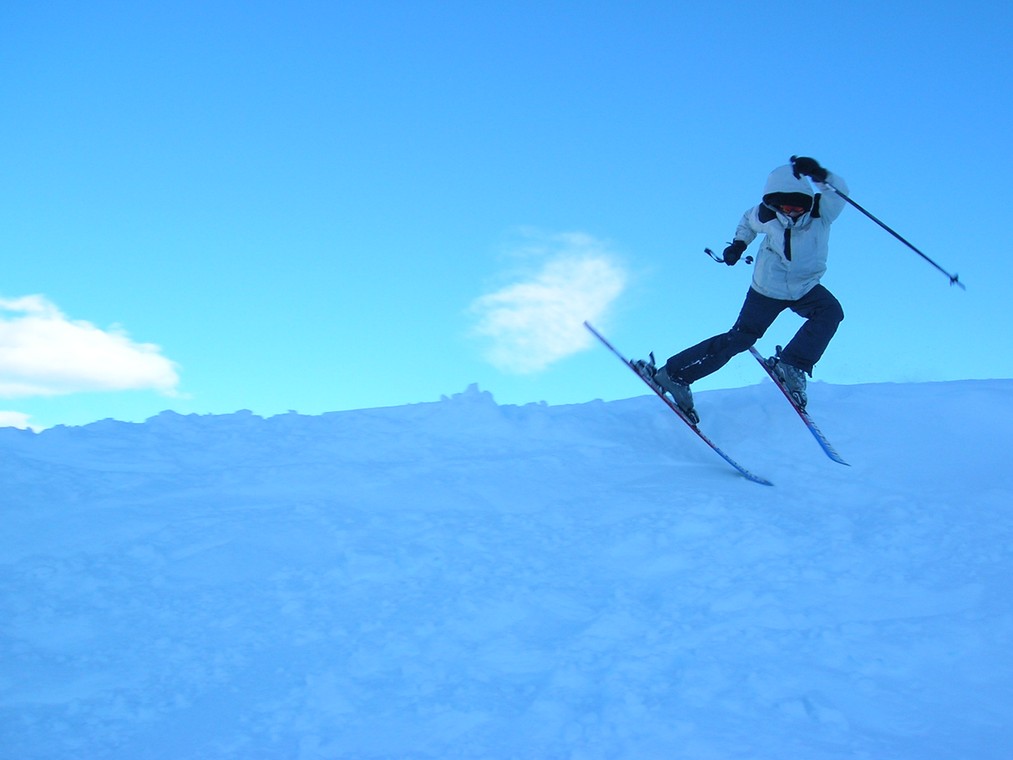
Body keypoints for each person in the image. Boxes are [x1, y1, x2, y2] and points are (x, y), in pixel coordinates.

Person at [652, 156, 847, 422]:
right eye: (784, 206)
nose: (790, 212)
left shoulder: (821, 213)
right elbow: (747, 222)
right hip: (767, 288)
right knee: (741, 339)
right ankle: (674, 374)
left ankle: (792, 364)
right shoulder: (767, 215)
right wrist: (738, 244)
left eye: (796, 206)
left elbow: (839, 191)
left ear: (806, 202)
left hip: (805, 287)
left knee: (830, 312)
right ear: (774, 204)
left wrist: (819, 174)